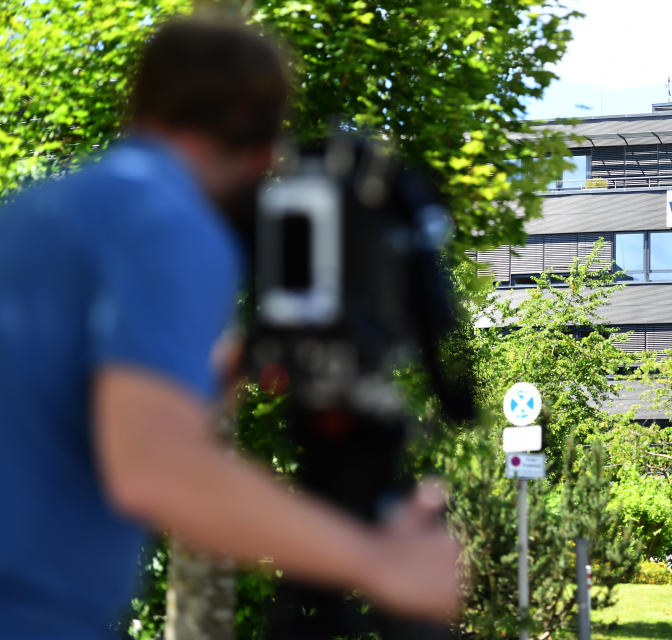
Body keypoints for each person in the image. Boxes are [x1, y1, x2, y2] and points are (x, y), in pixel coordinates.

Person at [0, 16, 460, 638]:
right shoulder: (170, 222)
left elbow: (98, 412)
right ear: (266, 144)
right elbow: (155, 465)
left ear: (141, 108)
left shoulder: (47, 210)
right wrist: (378, 561)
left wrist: (256, 349)